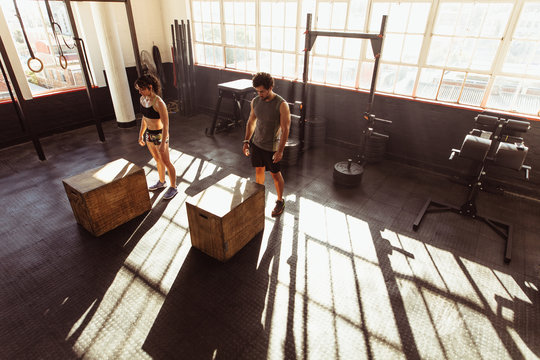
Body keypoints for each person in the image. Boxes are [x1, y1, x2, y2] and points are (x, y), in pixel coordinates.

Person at [243, 72, 291, 217]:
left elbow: (285, 129)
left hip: (272, 148)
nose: (259, 94)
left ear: (270, 87)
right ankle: (259, 197)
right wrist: (246, 141)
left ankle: (280, 200)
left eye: (262, 91)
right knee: (258, 172)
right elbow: (251, 122)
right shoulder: (256, 101)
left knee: (275, 175)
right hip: (257, 144)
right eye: (257, 91)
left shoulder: (281, 105)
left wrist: (280, 151)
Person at [135, 74, 178, 200]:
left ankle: (174, 187)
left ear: (150, 87)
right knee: (157, 160)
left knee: (166, 161)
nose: (140, 92)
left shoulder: (159, 103)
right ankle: (161, 181)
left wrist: (163, 144)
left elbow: (166, 125)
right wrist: (141, 135)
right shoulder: (142, 100)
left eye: (142, 89)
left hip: (160, 135)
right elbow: (144, 118)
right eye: (138, 89)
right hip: (149, 134)